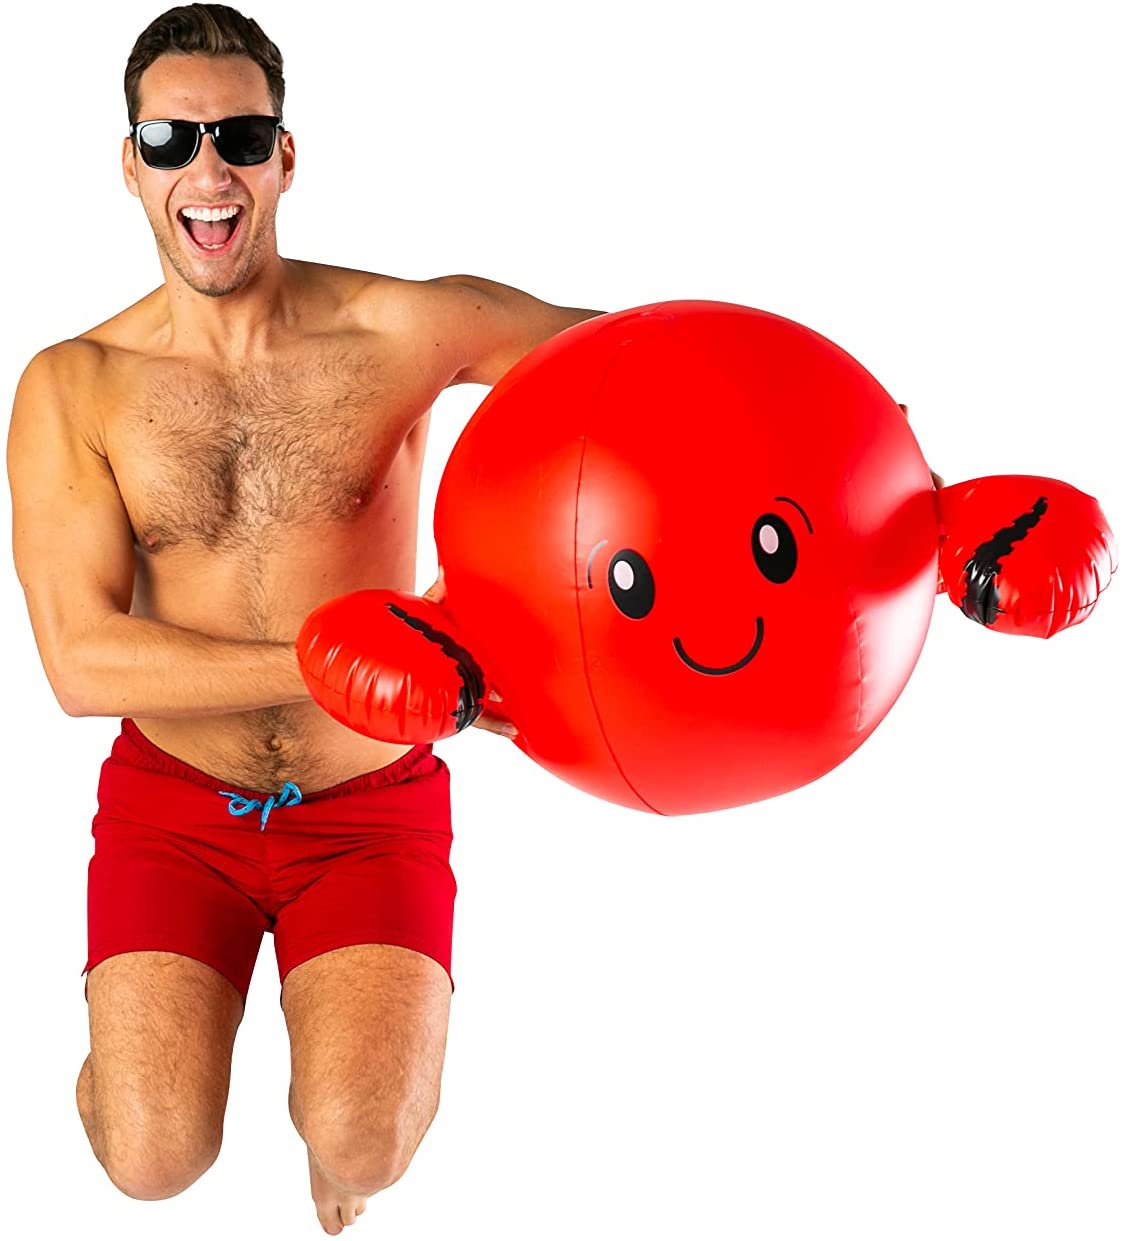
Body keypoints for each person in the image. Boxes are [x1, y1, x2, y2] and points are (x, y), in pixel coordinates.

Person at [5, 4, 605, 1234]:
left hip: (371, 804)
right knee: (152, 1160)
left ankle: (337, 1147)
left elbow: (644, 367)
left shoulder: (404, 328)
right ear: (130, 163)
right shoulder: (75, 383)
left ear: (286, 155)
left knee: (366, 1144)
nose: (207, 169)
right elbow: (78, 660)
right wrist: (364, 660)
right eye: (172, 139)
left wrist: (843, 431)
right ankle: (127, 1083)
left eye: (239, 134)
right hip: (175, 811)